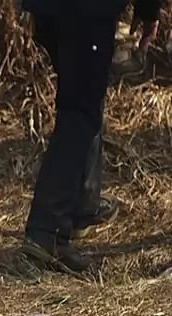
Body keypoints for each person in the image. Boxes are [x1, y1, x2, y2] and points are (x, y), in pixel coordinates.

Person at [20, 0, 163, 274]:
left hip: (50, 10)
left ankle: (82, 207)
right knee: (79, 113)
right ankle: (47, 232)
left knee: (83, 99)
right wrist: (148, 12)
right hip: (86, 12)